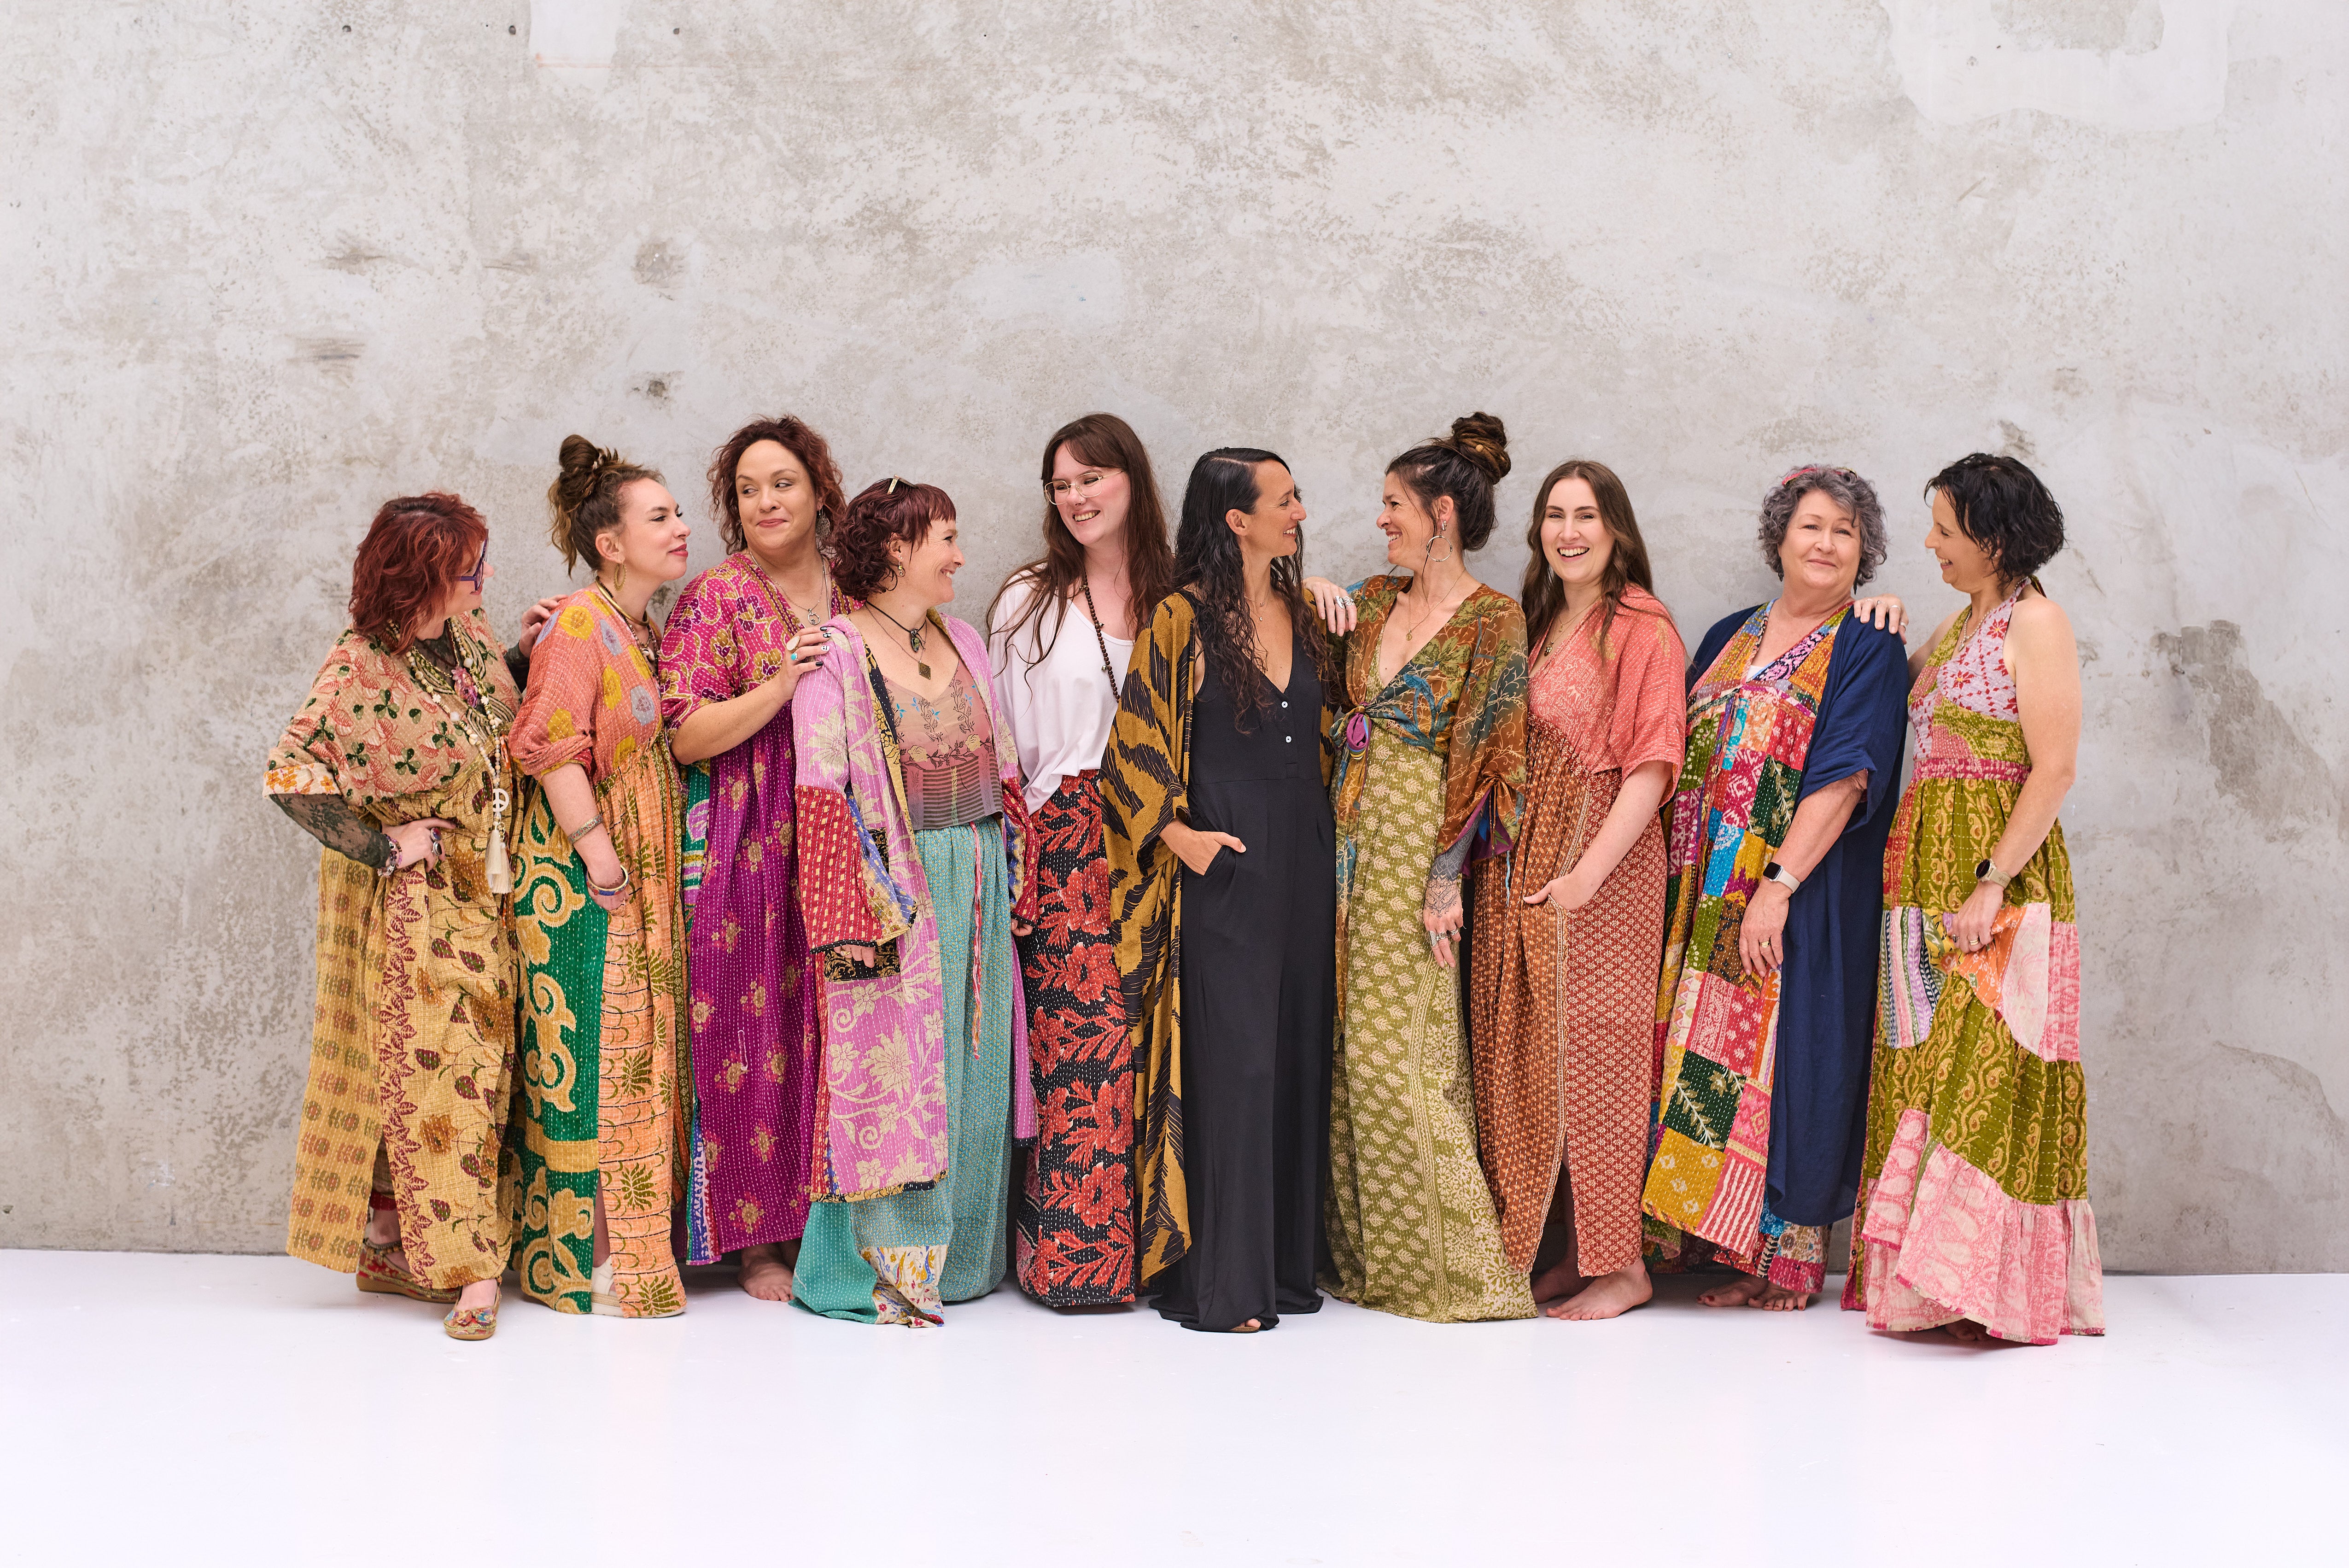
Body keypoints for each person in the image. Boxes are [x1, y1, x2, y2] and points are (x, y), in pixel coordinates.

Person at [1846, 453, 2104, 1344]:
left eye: (1946, 531)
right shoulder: (1963, 627)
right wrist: (1879, 627)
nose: (1931, 544)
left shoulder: (2037, 623)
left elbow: (2056, 768)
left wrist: (1991, 881)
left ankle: (1982, 1291)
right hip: (1921, 879)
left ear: (1994, 540)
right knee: (1926, 1070)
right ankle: (1931, 1287)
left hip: (1998, 879)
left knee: (1987, 1077)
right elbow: (1890, 693)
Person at [1640, 465, 1911, 1310]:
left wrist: (1780, 884)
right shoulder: (1730, 633)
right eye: (1812, 527)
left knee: (1790, 1056)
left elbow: (1848, 777)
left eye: (1845, 533)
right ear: (1779, 539)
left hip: (1798, 887)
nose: (1827, 544)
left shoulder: (1867, 644)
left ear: (1864, 554)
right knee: (1702, 1058)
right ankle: (1703, 1241)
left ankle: (1780, 1257)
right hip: (1700, 887)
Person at [265, 492, 529, 1340]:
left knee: (485, 1070)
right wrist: (386, 847)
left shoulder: (469, 636)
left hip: (490, 888)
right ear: (420, 581)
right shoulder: (358, 666)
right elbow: (289, 773)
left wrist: (529, 647)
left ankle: (405, 1247)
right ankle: (470, 1274)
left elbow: (486, 721)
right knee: (446, 1072)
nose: (481, 580)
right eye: (467, 571)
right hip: (418, 903)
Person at [789, 478, 1037, 1326]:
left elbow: (1001, 769)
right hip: (892, 885)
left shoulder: (962, 638)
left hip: (976, 869)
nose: (961, 555)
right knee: (895, 1075)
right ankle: (875, 1273)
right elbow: (819, 789)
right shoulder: (837, 651)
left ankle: (961, 1262)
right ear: (897, 549)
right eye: (947, 539)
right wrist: (859, 913)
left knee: (974, 1062)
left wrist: (1010, 869)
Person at [1103, 447, 1336, 1333]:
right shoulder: (1179, 619)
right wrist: (1179, 837)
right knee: (1237, 1066)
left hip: (1307, 868)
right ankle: (1221, 1285)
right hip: (1227, 868)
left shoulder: (1308, 615)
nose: (1300, 512)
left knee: (1293, 1057)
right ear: (1237, 520)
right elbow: (1129, 749)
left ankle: (1282, 1271)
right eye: (1286, 499)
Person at [1316, 413, 1533, 1323]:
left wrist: (1447, 877)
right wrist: (1310, 590)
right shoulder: (1366, 602)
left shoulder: (1494, 621)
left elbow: (1491, 755)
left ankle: (1463, 1273)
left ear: (1442, 511)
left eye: (1394, 505)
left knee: (1407, 1055)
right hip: (1341, 837)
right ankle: (1362, 1261)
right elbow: (1302, 676)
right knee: (1343, 1051)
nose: (1382, 521)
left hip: (1417, 843)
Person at [1467, 460, 1687, 1322]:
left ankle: (1621, 1263)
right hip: (1523, 857)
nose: (1569, 531)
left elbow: (1653, 764)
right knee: (1530, 1055)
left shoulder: (1641, 624)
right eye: (1555, 516)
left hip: (1601, 858)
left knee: (1599, 1056)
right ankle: (1558, 1250)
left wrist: (1587, 876)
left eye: (1587, 515)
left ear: (1617, 530)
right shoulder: (1539, 619)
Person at [987, 413, 1175, 1307]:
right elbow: (1005, 742)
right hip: (1067, 837)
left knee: (1164, 1046)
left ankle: (1172, 1256)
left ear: (1132, 479)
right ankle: (1076, 1265)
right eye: (1060, 485)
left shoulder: (1181, 592)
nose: (1076, 498)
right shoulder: (1030, 598)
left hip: (1172, 842)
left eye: (1091, 478)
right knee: (1081, 1050)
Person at [508, 435, 695, 1319]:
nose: (682, 528)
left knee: (636, 1054)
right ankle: (588, 1259)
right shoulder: (580, 625)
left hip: (641, 873)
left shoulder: (636, 626)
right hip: (594, 879)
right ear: (610, 541)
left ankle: (634, 1247)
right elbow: (548, 743)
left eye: (679, 512)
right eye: (660, 517)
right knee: (596, 1051)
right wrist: (604, 859)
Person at [657, 416, 842, 1302]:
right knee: (750, 1027)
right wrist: (779, 685)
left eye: (783, 483)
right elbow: (686, 734)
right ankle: (756, 1239)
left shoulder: (861, 588)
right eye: (747, 490)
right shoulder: (717, 597)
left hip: (847, 835)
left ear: (818, 489)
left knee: (835, 1024)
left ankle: (831, 1221)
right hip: (749, 837)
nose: (766, 502)